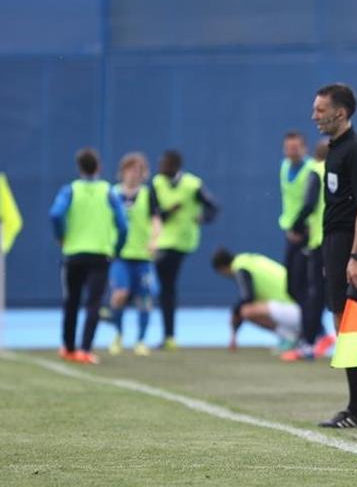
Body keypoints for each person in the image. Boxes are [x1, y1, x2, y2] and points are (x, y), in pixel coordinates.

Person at [312, 83, 357, 428]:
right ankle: (356, 407)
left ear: (340, 113)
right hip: (335, 245)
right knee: (342, 323)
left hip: (351, 246)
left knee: (351, 325)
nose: (314, 116)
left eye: (320, 110)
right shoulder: (334, 149)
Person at [49, 148, 128, 365]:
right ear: (99, 167)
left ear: (79, 168)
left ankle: (68, 347)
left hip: (73, 253)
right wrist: (117, 248)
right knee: (93, 303)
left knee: (71, 301)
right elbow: (123, 225)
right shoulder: (108, 191)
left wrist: (61, 235)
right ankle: (85, 349)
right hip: (100, 255)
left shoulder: (70, 190)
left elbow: (56, 214)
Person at [152, 150, 219, 351]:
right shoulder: (157, 183)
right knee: (165, 287)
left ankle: (168, 335)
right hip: (159, 240)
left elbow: (213, 206)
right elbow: (153, 212)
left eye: (164, 164)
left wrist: (203, 218)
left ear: (175, 166)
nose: (160, 167)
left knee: (166, 285)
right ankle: (168, 335)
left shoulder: (192, 184)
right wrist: (168, 211)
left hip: (181, 242)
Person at [281, 139, 336, 361]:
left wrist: (296, 227)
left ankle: (309, 341)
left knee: (314, 293)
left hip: (316, 239)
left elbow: (309, 204)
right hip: (334, 238)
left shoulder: (315, 170)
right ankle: (318, 336)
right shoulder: (336, 172)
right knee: (318, 293)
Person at [107, 153, 161, 357]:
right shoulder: (112, 193)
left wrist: (155, 240)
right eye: (130, 169)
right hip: (120, 255)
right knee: (119, 295)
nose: (134, 174)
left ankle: (140, 340)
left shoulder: (148, 194)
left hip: (143, 256)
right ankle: (118, 334)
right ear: (123, 171)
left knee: (145, 299)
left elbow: (156, 220)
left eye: (138, 170)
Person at [277, 131, 321, 352]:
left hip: (306, 233)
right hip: (290, 232)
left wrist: (301, 228)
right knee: (292, 287)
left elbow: (310, 203)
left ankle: (310, 334)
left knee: (306, 286)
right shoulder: (284, 167)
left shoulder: (311, 169)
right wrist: (290, 227)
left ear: (304, 148)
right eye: (288, 148)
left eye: (295, 148)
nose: (291, 152)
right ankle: (315, 329)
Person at [211, 247, 301, 350]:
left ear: (222, 269)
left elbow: (247, 298)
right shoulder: (248, 260)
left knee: (246, 311)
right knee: (251, 306)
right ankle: (296, 335)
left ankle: (291, 337)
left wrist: (234, 320)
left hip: (295, 310)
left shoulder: (240, 268)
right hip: (301, 308)